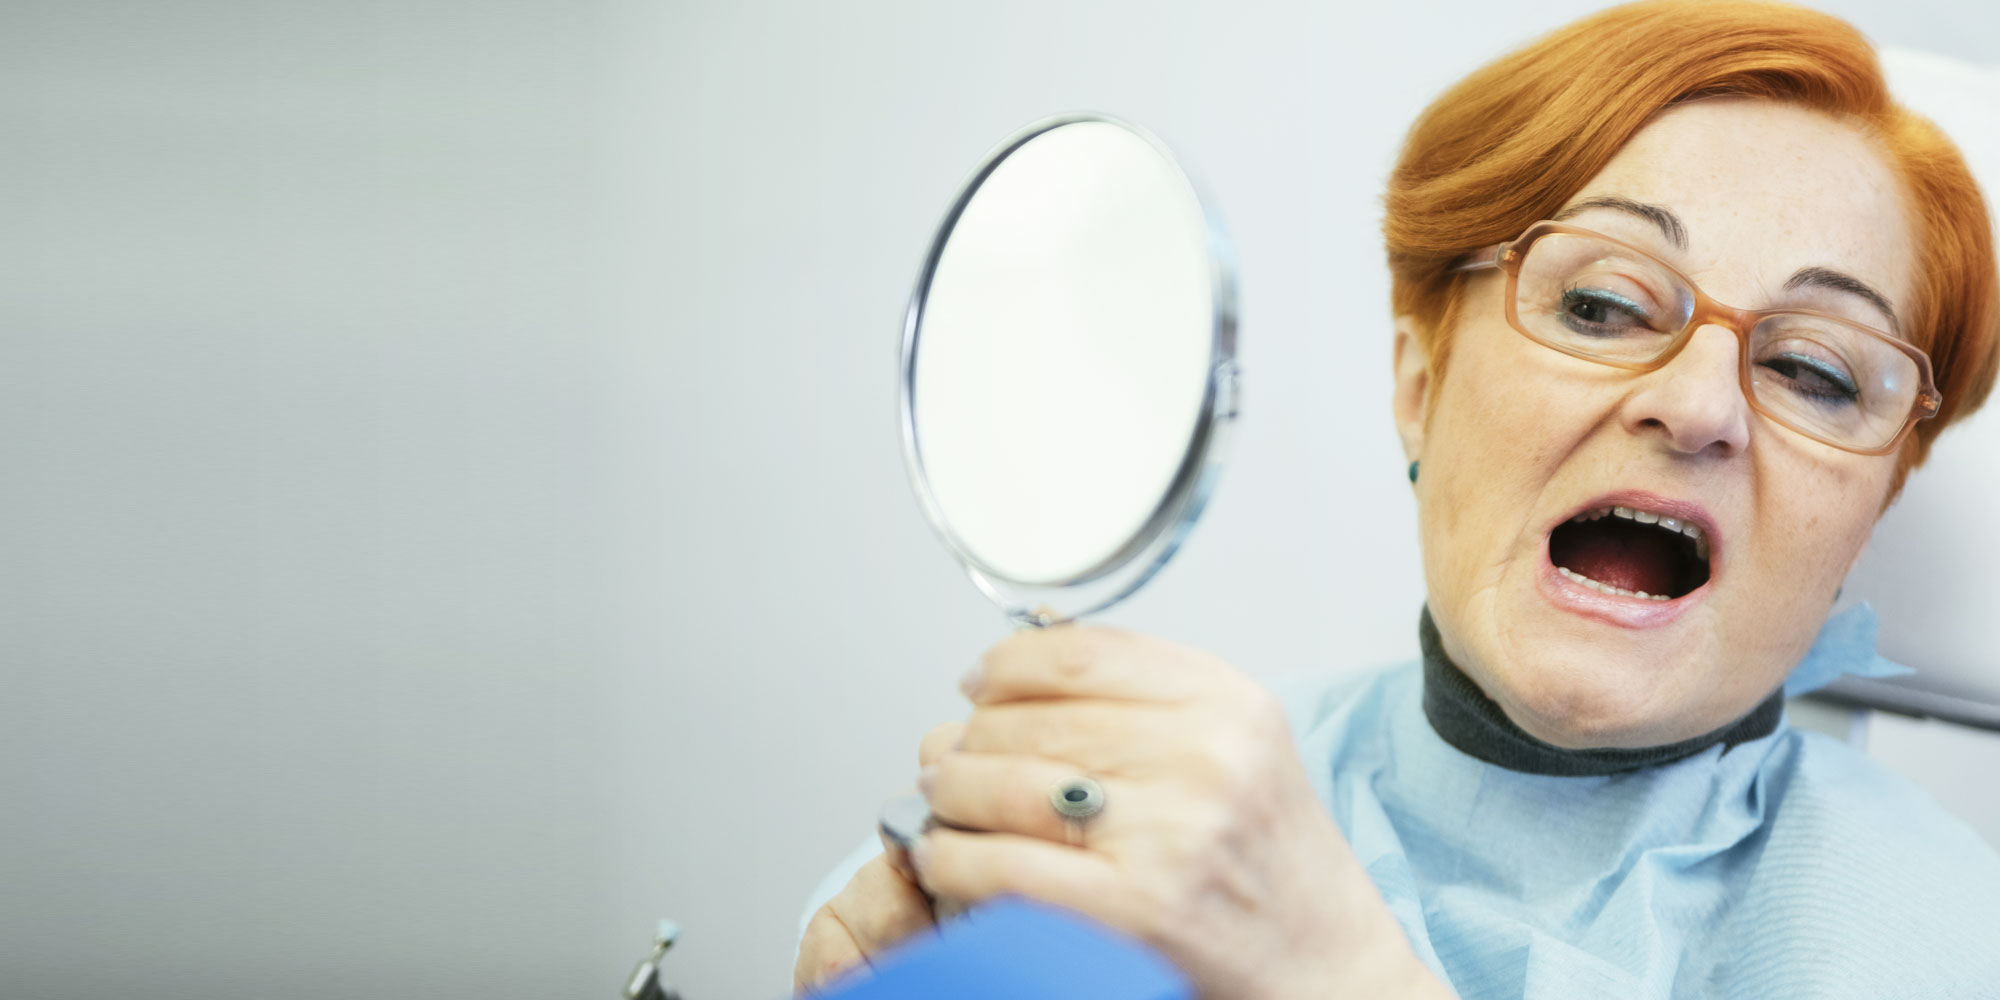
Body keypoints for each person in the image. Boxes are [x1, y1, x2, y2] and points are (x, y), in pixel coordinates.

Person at [794, 1, 2000, 996]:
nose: (1695, 407)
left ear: (1866, 518)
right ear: (1419, 387)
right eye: (1602, 305)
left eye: (1812, 370)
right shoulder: (1155, 821)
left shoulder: (1949, 949)